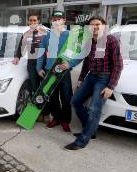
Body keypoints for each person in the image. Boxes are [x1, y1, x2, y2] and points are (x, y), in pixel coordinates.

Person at [64, 16, 123, 151]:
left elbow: (118, 65)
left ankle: (82, 141)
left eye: (97, 24)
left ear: (104, 25)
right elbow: (87, 62)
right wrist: (81, 79)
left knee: (94, 110)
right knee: (75, 102)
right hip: (91, 76)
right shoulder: (89, 41)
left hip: (104, 78)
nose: (94, 27)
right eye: (92, 25)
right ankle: (90, 131)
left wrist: (110, 86)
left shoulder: (111, 41)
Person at [36, 10, 77, 132]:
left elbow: (76, 53)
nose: (56, 21)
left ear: (64, 20)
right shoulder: (46, 36)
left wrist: (70, 64)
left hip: (64, 71)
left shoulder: (70, 35)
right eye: (54, 19)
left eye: (59, 19)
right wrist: (38, 68)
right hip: (50, 70)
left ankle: (65, 120)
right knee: (52, 97)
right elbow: (41, 53)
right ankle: (57, 118)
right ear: (51, 21)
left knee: (66, 96)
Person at [12, 13, 48, 104]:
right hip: (31, 63)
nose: (32, 22)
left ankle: (46, 112)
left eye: (34, 20)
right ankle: (35, 108)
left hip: (44, 63)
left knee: (45, 87)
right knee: (34, 87)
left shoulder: (45, 32)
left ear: (38, 21)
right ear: (28, 21)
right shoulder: (26, 34)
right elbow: (21, 47)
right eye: (31, 20)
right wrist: (17, 57)